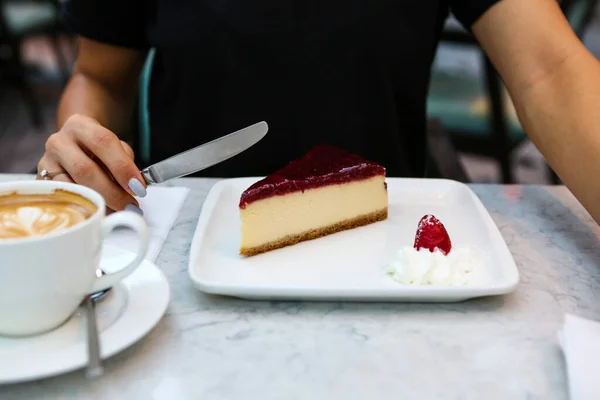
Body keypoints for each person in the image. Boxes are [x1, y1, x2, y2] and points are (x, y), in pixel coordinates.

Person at [37, 0, 600, 224]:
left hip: (386, 242)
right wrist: (80, 158)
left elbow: (549, 69)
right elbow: (99, 77)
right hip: (183, 244)